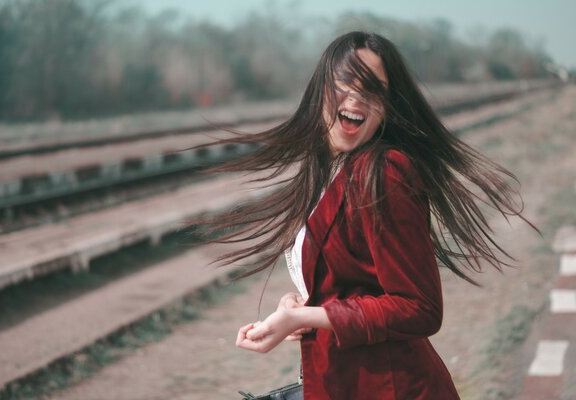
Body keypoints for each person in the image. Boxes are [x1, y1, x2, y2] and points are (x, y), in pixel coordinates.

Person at [202, 31, 531, 399]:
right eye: (344, 83)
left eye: (373, 89)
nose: (356, 98)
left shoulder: (385, 172)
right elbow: (354, 285)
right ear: (321, 90)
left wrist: (306, 318)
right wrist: (300, 306)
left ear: (388, 105)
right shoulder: (329, 170)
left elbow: (418, 308)